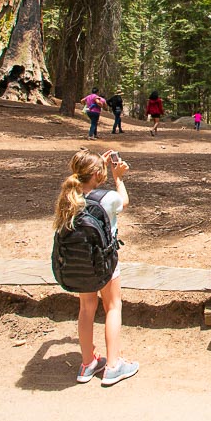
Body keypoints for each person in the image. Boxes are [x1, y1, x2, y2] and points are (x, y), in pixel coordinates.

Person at [53, 150, 139, 386]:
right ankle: (113, 366)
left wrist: (98, 164)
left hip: (81, 264)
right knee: (112, 306)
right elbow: (125, 201)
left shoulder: (69, 197)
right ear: (97, 174)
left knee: (86, 309)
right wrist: (118, 177)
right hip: (105, 263)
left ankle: (87, 363)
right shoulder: (108, 197)